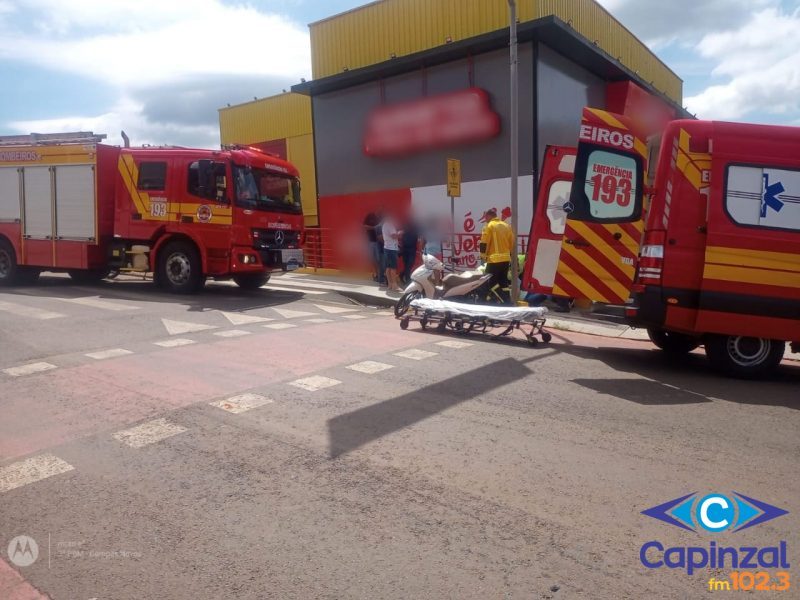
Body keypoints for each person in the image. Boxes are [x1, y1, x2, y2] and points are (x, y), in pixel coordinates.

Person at [479, 207, 513, 304]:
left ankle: (505, 302)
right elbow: (511, 243)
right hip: (506, 259)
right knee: (503, 283)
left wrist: (482, 256)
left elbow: (484, 243)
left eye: (485, 217)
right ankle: (507, 301)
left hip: (494, 260)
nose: (485, 219)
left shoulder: (489, 226)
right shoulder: (506, 225)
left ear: (489, 216)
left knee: (490, 282)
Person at [381, 210, 402, 292]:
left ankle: (390, 284)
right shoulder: (390, 225)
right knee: (393, 268)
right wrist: (400, 233)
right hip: (392, 249)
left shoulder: (384, 225)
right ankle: (395, 285)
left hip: (386, 247)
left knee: (388, 267)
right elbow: (394, 236)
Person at [400, 217, 420, 284]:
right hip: (405, 249)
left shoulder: (416, 228)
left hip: (412, 249)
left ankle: (402, 275)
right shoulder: (405, 227)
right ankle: (407, 279)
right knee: (407, 265)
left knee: (409, 264)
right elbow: (401, 237)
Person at [363, 211, 380, 282]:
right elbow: (364, 226)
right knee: (372, 259)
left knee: (379, 260)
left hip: (379, 242)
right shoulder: (369, 216)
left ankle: (380, 274)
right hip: (371, 242)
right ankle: (375, 274)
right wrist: (374, 228)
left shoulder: (381, 217)